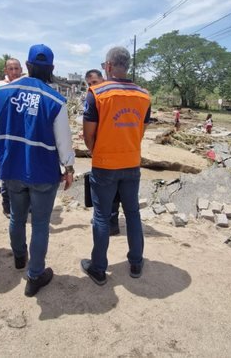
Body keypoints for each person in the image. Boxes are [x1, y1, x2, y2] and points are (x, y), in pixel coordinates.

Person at [0, 44, 75, 296]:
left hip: (12, 168)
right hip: (43, 172)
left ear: (27, 66)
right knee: (39, 223)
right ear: (51, 69)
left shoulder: (2, 92)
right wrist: (69, 167)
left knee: (17, 217)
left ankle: (19, 258)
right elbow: (63, 141)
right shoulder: (55, 100)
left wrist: (1, 157)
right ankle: (35, 275)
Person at [82, 46, 151, 285]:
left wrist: (98, 153)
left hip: (104, 165)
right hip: (132, 164)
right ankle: (136, 262)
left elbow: (87, 135)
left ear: (109, 66)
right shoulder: (144, 96)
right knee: (132, 214)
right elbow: (140, 131)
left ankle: (98, 268)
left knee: (101, 216)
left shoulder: (97, 93)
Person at [83, 69, 121, 236]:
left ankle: (110, 223)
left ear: (103, 79)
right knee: (103, 191)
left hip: (110, 151)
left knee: (110, 190)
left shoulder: (109, 97)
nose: (92, 86)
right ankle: (106, 220)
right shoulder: (95, 98)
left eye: (95, 83)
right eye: (90, 84)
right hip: (103, 150)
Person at [0, 57, 24, 219]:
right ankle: (7, 206)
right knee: (6, 174)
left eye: (16, 68)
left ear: (21, 70)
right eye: (10, 69)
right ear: (5, 71)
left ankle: (23, 205)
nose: (14, 72)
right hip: (5, 138)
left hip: (22, 139)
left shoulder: (25, 87)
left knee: (22, 173)